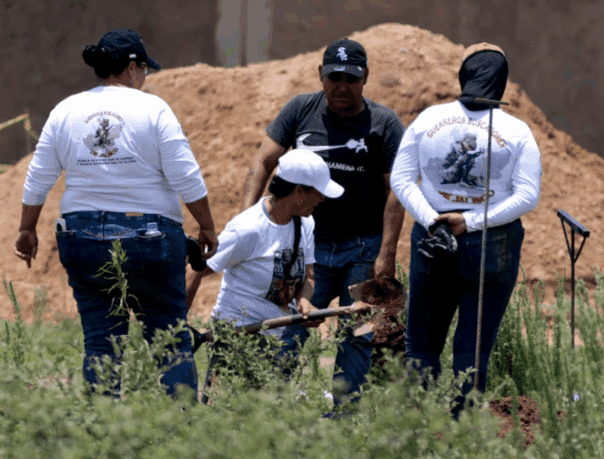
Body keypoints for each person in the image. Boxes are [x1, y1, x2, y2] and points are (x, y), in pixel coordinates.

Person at [13, 28, 218, 398]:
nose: (145, 77)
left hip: (81, 237)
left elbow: (39, 176)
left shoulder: (65, 110)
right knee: (170, 340)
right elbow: (185, 176)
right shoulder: (153, 109)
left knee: (101, 343)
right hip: (149, 239)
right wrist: (206, 226)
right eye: (144, 69)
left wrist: (27, 229)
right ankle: (183, 424)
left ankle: (102, 426)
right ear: (132, 66)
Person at [240, 38, 405, 407]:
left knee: (358, 332)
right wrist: (247, 221)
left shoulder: (385, 123)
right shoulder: (300, 109)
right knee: (287, 326)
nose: (341, 86)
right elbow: (263, 161)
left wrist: (387, 253)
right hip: (300, 248)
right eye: (334, 78)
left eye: (351, 79)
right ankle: (271, 409)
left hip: (362, 249)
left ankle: (345, 415)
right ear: (320, 75)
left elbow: (396, 191)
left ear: (365, 77)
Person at [390, 42, 542, 416]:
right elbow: (527, 196)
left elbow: (401, 179)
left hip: (432, 238)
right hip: (491, 243)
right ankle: (464, 426)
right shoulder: (518, 131)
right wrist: (470, 222)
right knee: (473, 346)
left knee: (421, 342)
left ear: (463, 75)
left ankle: (418, 425)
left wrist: (433, 220)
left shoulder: (427, 119)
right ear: (502, 81)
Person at [185, 149, 343, 399]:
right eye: (318, 191)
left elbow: (309, 275)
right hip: (238, 335)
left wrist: (304, 302)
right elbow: (196, 268)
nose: (323, 198)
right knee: (228, 409)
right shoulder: (248, 229)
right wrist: (176, 324)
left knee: (266, 414)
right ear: (299, 192)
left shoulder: (305, 223)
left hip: (276, 337)